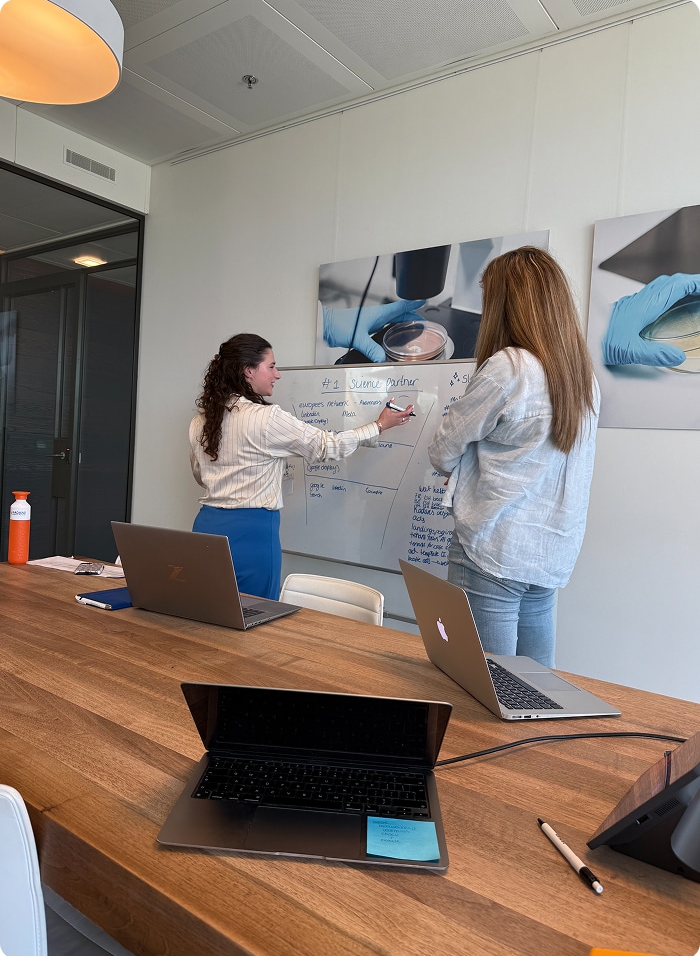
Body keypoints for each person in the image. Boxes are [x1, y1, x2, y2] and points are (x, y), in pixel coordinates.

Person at [428, 246, 599, 667]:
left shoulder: (510, 368)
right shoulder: (582, 377)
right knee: (534, 687)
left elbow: (443, 450)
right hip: (547, 553)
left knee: (482, 686)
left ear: (505, 305)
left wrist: (456, 462)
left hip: (492, 545)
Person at [189, 333, 413, 600]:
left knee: (205, 613)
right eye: (271, 366)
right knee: (252, 619)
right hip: (251, 535)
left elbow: (202, 476)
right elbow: (326, 446)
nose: (277, 374)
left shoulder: (200, 421)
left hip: (205, 528)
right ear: (248, 371)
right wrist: (379, 425)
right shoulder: (265, 418)